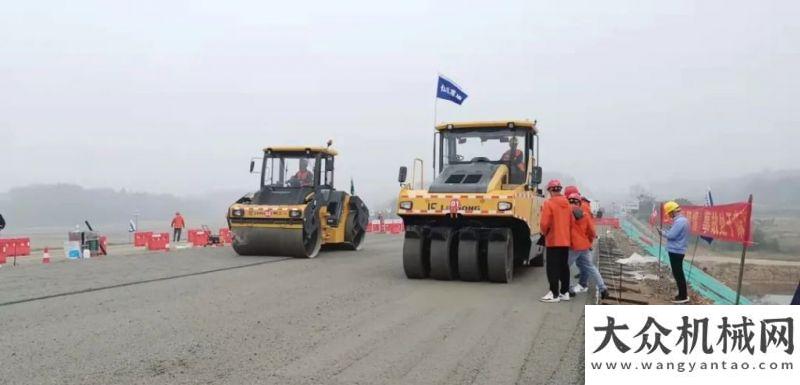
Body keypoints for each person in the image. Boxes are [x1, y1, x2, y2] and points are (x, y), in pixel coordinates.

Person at [567, 193, 609, 300]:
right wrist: (589, 243)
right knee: (590, 267)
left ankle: (568, 288)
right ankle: (603, 288)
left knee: (565, 267)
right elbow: (592, 232)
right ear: (579, 202)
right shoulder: (585, 215)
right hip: (584, 246)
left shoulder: (566, 214)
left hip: (573, 246)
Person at [539, 179, 572, 303]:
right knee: (564, 267)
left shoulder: (549, 203)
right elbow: (571, 222)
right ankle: (565, 292)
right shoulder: (567, 203)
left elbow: (544, 223)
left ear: (551, 190)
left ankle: (554, 294)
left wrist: (543, 231)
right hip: (565, 241)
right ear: (559, 189)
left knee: (552, 268)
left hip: (553, 240)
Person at [659, 201, 690, 304]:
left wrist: (662, 233)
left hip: (676, 250)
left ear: (673, 211)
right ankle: (681, 294)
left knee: (678, 274)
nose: (669, 215)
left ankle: (683, 296)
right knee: (678, 273)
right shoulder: (682, 220)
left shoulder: (680, 221)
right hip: (678, 250)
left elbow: (671, 235)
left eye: (669, 213)